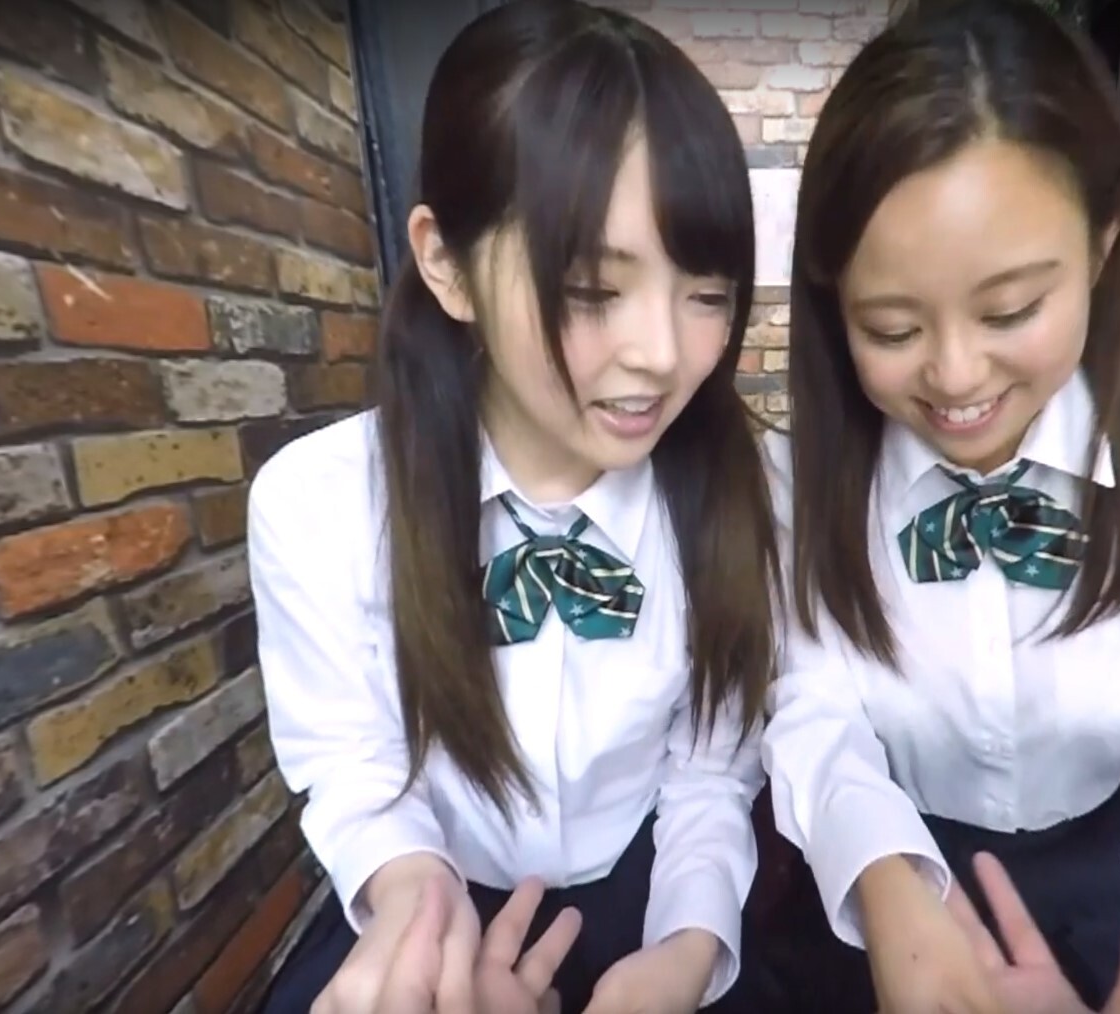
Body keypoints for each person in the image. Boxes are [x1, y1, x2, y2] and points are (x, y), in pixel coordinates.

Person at [758, 1, 1120, 1012]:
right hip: (888, 870)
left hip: (1114, 871)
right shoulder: (798, 474)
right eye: (892, 328)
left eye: (1011, 311)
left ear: (1102, 243)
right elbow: (812, 709)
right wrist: (889, 891)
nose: (956, 375)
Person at [248, 2, 783, 1011]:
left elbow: (712, 771)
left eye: (708, 294)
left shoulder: (755, 491)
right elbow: (353, 765)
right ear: (446, 264)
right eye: (591, 290)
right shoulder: (318, 501)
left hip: (664, 885)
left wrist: (686, 952)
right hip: (432, 887)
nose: (662, 355)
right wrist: (421, 918)